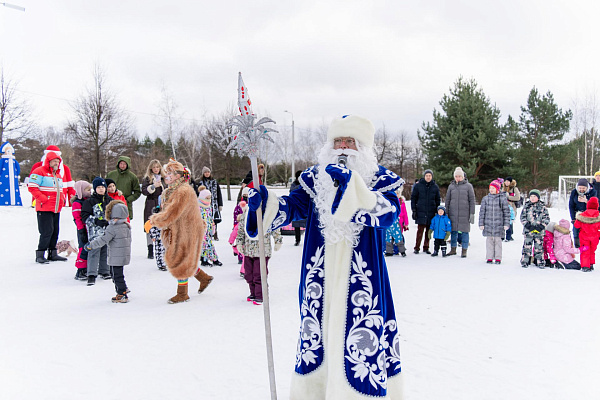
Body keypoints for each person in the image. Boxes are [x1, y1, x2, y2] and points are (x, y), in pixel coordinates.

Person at [245, 115, 404, 399]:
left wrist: (354, 188)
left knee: (359, 341)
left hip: (363, 281)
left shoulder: (381, 180)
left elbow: (388, 215)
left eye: (349, 141)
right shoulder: (314, 179)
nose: (342, 147)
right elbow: (292, 207)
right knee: (316, 339)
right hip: (318, 277)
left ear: (363, 147)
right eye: (337, 141)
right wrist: (266, 204)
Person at [149, 160, 214, 303]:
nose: (167, 175)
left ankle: (182, 293)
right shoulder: (171, 190)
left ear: (178, 175)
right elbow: (168, 209)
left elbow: (173, 212)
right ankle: (204, 278)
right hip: (179, 228)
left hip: (187, 230)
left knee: (179, 259)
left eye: (170, 173)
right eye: (167, 173)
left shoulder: (183, 191)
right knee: (185, 258)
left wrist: (155, 220)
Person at [85, 200, 132, 302]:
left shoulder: (112, 228)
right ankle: (124, 288)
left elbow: (103, 240)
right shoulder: (126, 225)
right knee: (118, 273)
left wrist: (91, 245)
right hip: (124, 254)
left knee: (116, 275)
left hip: (116, 255)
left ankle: (122, 294)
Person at [28, 150, 68, 263]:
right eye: (54, 161)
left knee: (55, 231)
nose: (56, 163)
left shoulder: (58, 174)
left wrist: (62, 200)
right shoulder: (39, 171)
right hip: (44, 207)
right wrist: (43, 199)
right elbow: (32, 187)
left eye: (58, 161)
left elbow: (60, 190)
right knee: (46, 231)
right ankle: (40, 254)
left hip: (56, 208)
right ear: (48, 161)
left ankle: (52, 253)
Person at [236, 207, 282, 304]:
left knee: (259, 274)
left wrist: (278, 241)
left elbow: (274, 228)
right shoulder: (246, 213)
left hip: (262, 250)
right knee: (248, 274)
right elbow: (241, 229)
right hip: (248, 250)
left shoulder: (267, 213)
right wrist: (239, 243)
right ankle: (253, 293)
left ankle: (260, 295)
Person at [81, 177, 112, 285]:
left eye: (103, 187)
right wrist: (95, 221)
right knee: (94, 251)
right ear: (95, 189)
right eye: (98, 187)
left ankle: (105, 270)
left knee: (105, 250)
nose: (101, 189)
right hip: (95, 231)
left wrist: (110, 221)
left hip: (107, 230)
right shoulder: (90, 201)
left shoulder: (110, 201)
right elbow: (84, 216)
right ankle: (91, 274)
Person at [445, 167, 475, 257]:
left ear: (463, 177)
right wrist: (446, 212)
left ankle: (464, 250)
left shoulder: (468, 186)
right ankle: (453, 249)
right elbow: (447, 200)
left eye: (459, 176)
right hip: (453, 214)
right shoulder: (451, 186)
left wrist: (472, 213)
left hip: (464, 214)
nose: (458, 178)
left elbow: (472, 200)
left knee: (465, 232)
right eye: (456, 176)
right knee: (453, 232)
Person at [479, 180, 511, 264]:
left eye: (493, 188)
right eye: (490, 188)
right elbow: (482, 212)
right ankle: (489, 257)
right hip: (488, 224)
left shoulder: (502, 199)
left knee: (498, 242)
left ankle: (498, 258)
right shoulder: (485, 199)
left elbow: (506, 212)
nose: (491, 190)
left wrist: (506, 224)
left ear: (497, 189)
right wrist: (481, 223)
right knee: (489, 241)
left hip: (499, 225)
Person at [411, 169, 441, 254]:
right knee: (420, 231)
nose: (428, 177)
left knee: (428, 231)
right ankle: (417, 247)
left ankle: (426, 247)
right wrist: (414, 210)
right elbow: (413, 198)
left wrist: (437, 211)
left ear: (432, 176)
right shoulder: (418, 186)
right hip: (421, 211)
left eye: (430, 176)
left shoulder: (435, 187)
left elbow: (437, 199)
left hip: (431, 212)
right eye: (427, 175)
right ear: (424, 176)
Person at [141, 160, 165, 258]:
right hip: (151, 204)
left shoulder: (164, 178)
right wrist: (153, 186)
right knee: (149, 225)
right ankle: (150, 249)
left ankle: (163, 247)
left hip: (162, 204)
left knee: (163, 225)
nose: (156, 169)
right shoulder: (147, 178)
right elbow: (144, 191)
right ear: (151, 168)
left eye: (157, 167)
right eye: (154, 167)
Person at [520, 189, 550, 268]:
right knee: (527, 247)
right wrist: (528, 226)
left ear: (538, 197)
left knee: (539, 248)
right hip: (528, 231)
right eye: (531, 196)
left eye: (534, 196)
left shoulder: (542, 207)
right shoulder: (527, 206)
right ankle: (525, 261)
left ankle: (539, 261)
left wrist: (540, 227)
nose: (532, 198)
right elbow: (522, 217)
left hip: (539, 232)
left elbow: (546, 218)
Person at [106, 156, 141, 220]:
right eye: (121, 163)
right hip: (110, 203)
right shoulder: (111, 174)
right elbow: (104, 188)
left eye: (124, 164)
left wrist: (128, 200)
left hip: (125, 204)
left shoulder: (132, 177)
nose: (122, 166)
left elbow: (137, 192)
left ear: (128, 165)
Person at [72, 180, 92, 280]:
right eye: (88, 190)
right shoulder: (77, 203)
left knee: (89, 248)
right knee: (83, 249)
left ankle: (88, 267)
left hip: (90, 228)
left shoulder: (88, 200)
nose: (90, 192)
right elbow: (77, 218)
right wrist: (81, 230)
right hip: (83, 229)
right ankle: (81, 269)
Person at [568, 178, 597, 248]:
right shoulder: (574, 192)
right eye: (580, 188)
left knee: (587, 231)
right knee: (576, 230)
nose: (581, 190)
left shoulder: (593, 192)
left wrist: (586, 201)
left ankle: (587, 245)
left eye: (583, 188)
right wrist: (573, 218)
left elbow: (594, 205)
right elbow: (571, 205)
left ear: (587, 187)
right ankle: (577, 246)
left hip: (588, 215)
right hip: (578, 214)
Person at [198, 186, 222, 266]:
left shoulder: (208, 206)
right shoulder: (198, 207)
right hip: (201, 230)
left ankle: (214, 259)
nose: (209, 199)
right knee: (204, 245)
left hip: (208, 229)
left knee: (210, 244)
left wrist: (212, 226)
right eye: (207, 198)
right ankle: (204, 260)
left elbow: (210, 217)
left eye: (209, 198)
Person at [574, 196, 600, 272]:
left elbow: (576, 225)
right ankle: (591, 264)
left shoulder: (582, 215)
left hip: (584, 237)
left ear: (587, 205)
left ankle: (585, 266)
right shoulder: (598, 216)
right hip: (595, 237)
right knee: (592, 250)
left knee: (585, 250)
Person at [197, 166, 223, 240]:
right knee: (206, 219)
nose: (207, 173)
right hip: (204, 204)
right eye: (205, 172)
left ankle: (215, 233)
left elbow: (219, 193)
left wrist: (220, 204)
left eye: (208, 172)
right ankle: (207, 233)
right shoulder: (201, 183)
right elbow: (198, 194)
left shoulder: (215, 182)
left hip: (214, 204)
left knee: (214, 219)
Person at [0, 141, 23, 206]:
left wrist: (17, 174)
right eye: (8, 151)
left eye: (10, 151)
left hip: (13, 177)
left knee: (14, 188)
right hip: (4, 178)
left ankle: (15, 201)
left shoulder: (14, 161)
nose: (9, 152)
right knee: (4, 187)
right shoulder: (3, 160)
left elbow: (17, 168)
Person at [290, 170, 307, 246]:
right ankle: (297, 240)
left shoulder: (306, 184)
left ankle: (307, 240)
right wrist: (300, 186)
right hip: (296, 207)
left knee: (307, 225)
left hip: (304, 207)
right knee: (297, 225)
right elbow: (292, 191)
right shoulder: (294, 184)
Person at [503, 177, 520, 241]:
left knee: (510, 220)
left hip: (512, 206)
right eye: (505, 181)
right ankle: (502, 235)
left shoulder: (514, 189)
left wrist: (508, 197)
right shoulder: (503, 188)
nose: (506, 182)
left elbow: (518, 197)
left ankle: (510, 235)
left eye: (508, 181)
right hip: (503, 206)